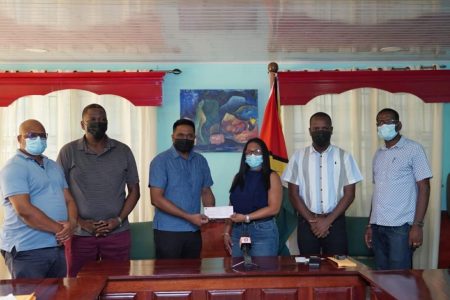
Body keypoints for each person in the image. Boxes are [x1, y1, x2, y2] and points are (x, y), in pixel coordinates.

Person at [57, 103, 140, 276]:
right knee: (79, 284)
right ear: (82, 124)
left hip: (117, 232)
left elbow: (135, 191)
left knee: (119, 285)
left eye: (102, 120)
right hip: (80, 234)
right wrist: (80, 222)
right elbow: (59, 192)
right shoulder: (68, 151)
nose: (98, 123)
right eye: (93, 119)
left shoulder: (123, 150)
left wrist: (118, 220)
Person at [0, 119, 77, 278]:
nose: (38, 139)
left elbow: (69, 199)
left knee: (58, 296)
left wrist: (72, 224)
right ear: (19, 138)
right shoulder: (14, 167)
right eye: (32, 135)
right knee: (31, 296)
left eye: (42, 136)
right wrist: (60, 230)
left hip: (56, 247)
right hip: (27, 250)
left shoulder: (53, 166)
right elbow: (24, 210)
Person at [281, 112, 363, 256]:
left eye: (324, 128)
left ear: (331, 130)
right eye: (316, 128)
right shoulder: (298, 157)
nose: (320, 132)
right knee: (308, 269)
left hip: (335, 222)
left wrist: (328, 221)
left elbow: (350, 194)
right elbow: (293, 194)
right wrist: (313, 221)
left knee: (338, 268)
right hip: (307, 223)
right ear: (309, 131)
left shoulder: (344, 156)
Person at [365, 108, 432, 270]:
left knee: (401, 279)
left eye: (388, 121)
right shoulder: (379, 154)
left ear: (399, 124)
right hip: (378, 226)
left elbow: (424, 187)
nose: (383, 125)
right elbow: (378, 193)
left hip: (401, 227)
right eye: (379, 122)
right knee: (381, 277)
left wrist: (417, 225)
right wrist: (370, 225)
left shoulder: (413, 149)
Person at [149, 118, 215, 259]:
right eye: (181, 135)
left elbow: (206, 191)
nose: (185, 139)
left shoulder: (201, 161)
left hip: (194, 231)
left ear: (194, 138)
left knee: (193, 275)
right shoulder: (160, 161)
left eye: (189, 136)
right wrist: (189, 217)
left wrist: (212, 215)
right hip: (168, 232)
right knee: (169, 277)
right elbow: (156, 199)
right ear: (173, 137)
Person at [223, 137, 282, 257]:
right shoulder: (238, 177)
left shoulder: (272, 176)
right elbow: (231, 207)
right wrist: (226, 232)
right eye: (249, 152)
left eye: (256, 152)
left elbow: (274, 208)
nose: (252, 154)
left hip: (262, 230)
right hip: (238, 231)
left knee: (262, 273)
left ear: (264, 154)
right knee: (238, 271)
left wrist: (246, 217)